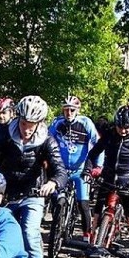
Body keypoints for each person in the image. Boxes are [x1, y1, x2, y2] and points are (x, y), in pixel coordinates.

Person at [0, 95, 67, 258]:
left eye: (32, 124)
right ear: (18, 119)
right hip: (6, 193)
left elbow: (60, 169)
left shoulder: (47, 140)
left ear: (39, 123)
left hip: (33, 193)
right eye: (23, 123)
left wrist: (53, 182)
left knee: (29, 233)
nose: (27, 129)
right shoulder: (6, 134)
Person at [84, 105, 129, 254]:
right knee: (96, 216)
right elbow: (93, 154)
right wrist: (87, 170)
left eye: (126, 127)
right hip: (108, 180)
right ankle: (93, 245)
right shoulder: (109, 135)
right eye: (119, 127)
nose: (122, 130)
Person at [48, 95, 102, 240]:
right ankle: (57, 221)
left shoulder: (86, 123)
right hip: (62, 169)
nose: (69, 113)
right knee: (54, 196)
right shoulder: (57, 123)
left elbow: (99, 145)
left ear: (77, 110)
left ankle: (86, 235)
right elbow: (46, 140)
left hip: (80, 170)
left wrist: (98, 166)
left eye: (72, 110)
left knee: (83, 203)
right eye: (66, 110)